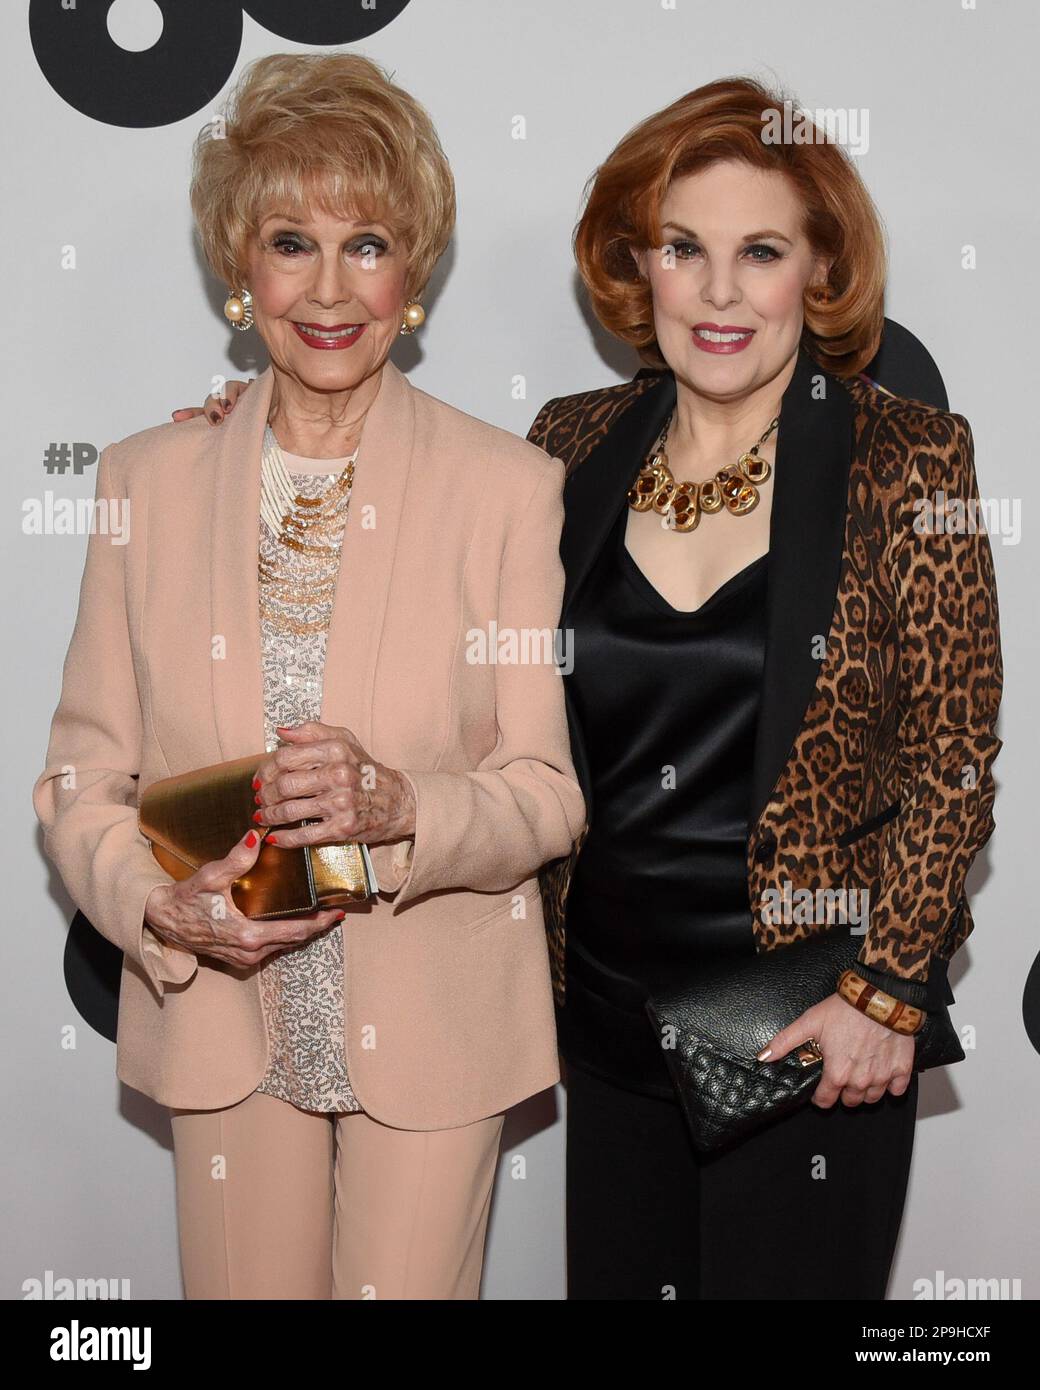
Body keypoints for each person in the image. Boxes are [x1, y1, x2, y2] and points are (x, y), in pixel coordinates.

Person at [181, 75, 1004, 1301]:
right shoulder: (568, 446)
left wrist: (885, 992)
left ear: (816, 273)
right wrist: (262, 431)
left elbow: (952, 751)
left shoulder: (906, 458)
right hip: (607, 1024)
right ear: (639, 268)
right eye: (683, 250)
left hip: (806, 1024)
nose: (718, 292)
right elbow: (421, 506)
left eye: (759, 252)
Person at [32, 51, 584, 1301]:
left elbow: (546, 790)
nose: (330, 288)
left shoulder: (505, 488)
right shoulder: (146, 480)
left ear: (415, 273)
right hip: (220, 1013)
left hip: (434, 1021)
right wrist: (156, 908)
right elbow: (80, 774)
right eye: (291, 241)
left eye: (369, 243)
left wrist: (405, 806)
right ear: (241, 269)